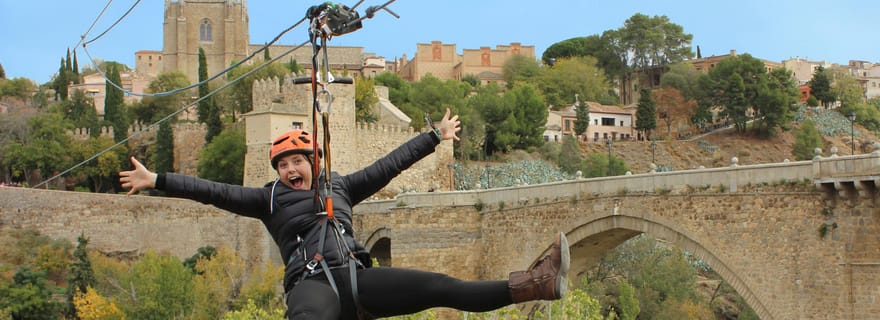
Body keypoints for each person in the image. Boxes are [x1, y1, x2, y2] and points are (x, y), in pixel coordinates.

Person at [120, 108, 570, 319]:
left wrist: (434, 137)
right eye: (284, 165)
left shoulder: (341, 188)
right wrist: (157, 179)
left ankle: (537, 283)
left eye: (298, 162)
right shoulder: (268, 200)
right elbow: (210, 191)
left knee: (443, 287)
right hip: (313, 284)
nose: (292, 169)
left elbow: (390, 164)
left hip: (357, 278)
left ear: (313, 164)